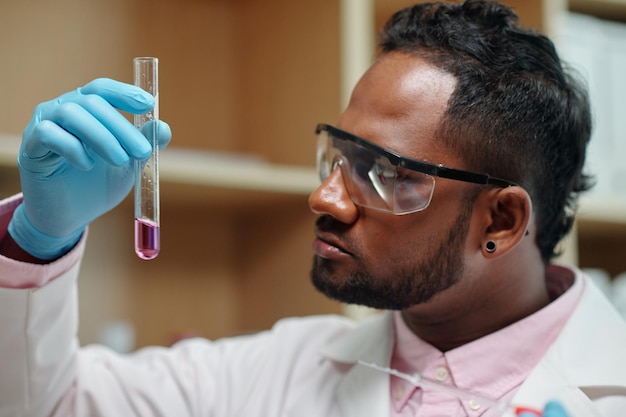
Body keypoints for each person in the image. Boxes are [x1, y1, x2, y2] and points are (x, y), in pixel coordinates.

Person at [0, 0, 622, 416]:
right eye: (338, 155)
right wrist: (39, 237)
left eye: (387, 174)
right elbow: (46, 406)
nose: (323, 197)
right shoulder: (274, 370)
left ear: (501, 222)